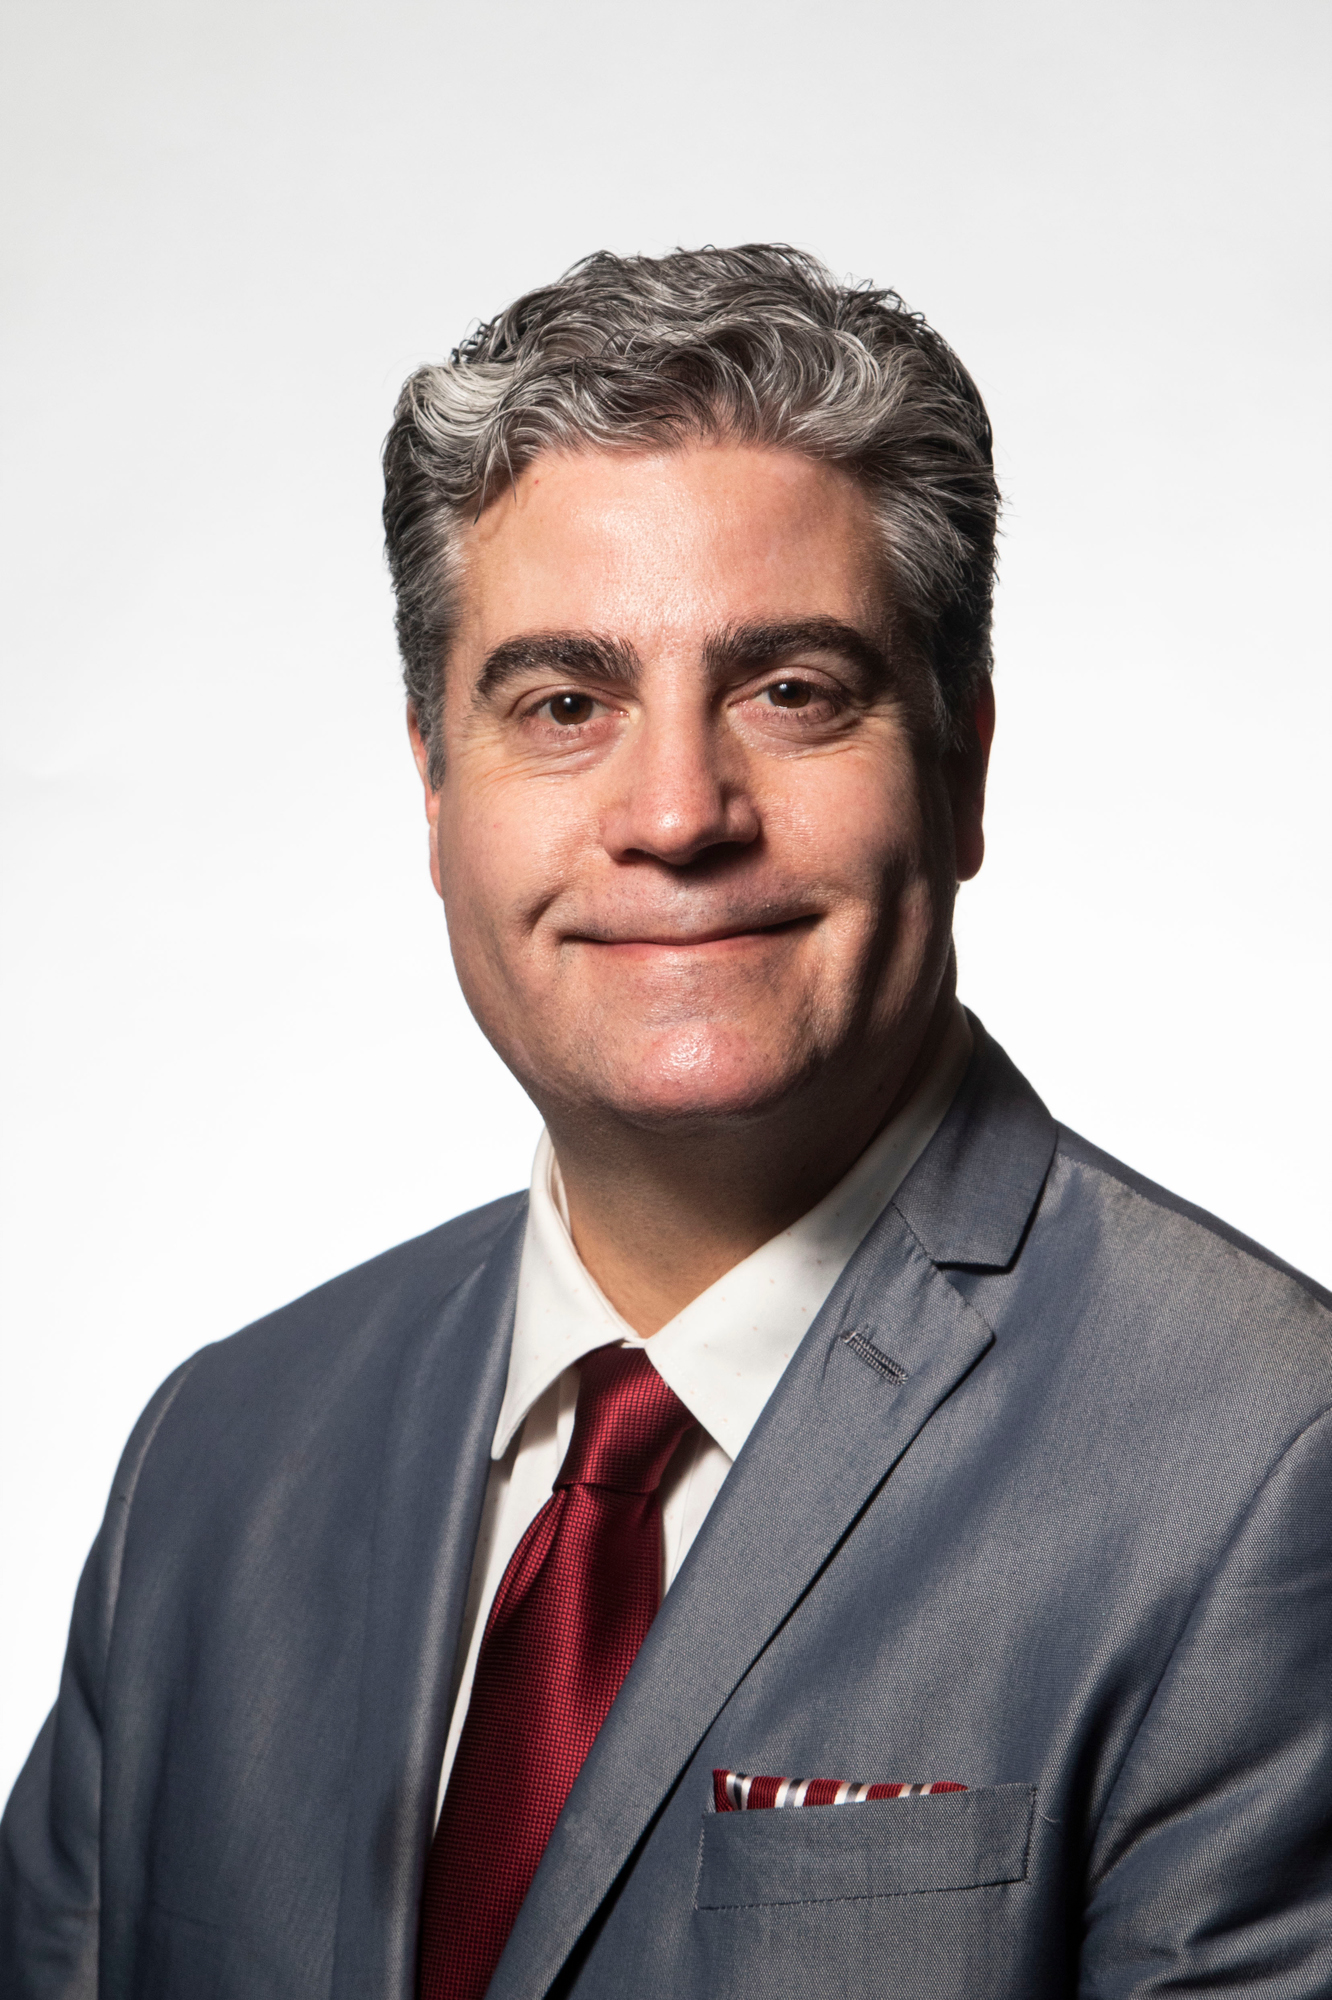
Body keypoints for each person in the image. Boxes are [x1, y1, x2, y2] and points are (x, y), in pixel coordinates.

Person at [2, 245, 1329, 2000]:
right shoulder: (220, 1460)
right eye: (566, 705)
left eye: (792, 692)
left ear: (962, 765)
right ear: (434, 787)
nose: (680, 814)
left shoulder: (1266, 1462)